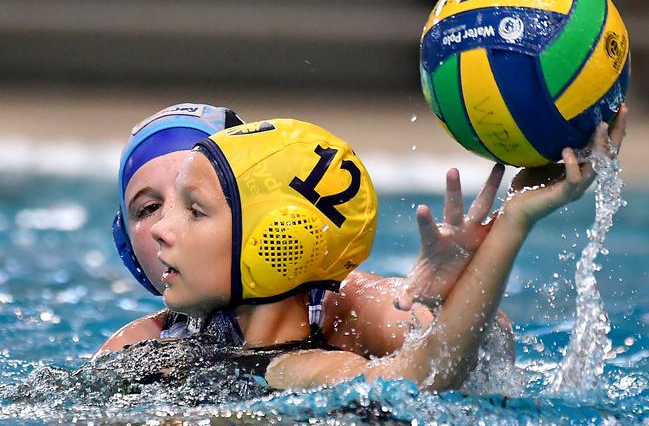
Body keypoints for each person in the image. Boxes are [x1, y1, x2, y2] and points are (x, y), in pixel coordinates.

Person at [145, 109, 627, 390]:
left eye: (195, 211)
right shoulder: (169, 341)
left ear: (275, 240)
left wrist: (513, 221)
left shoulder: (297, 366)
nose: (160, 230)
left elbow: (430, 368)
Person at [96, 103, 514, 363]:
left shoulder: (345, 305)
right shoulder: (140, 348)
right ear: (127, 247)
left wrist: (448, 302)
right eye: (149, 209)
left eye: (195, 207)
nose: (165, 227)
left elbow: (452, 352)